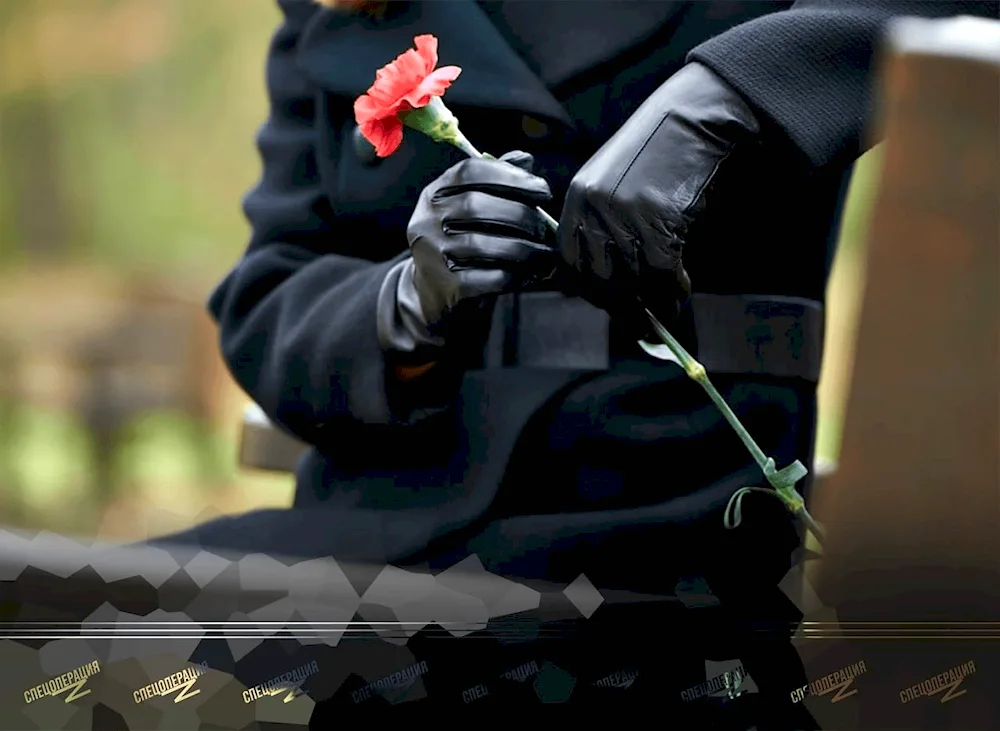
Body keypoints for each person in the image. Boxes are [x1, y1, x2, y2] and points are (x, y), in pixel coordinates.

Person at [149, 0, 999, 716]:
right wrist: (405, 302)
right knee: (60, 626)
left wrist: (727, 95)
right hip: (389, 516)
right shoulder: (341, 11)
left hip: (670, 535)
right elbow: (270, 297)